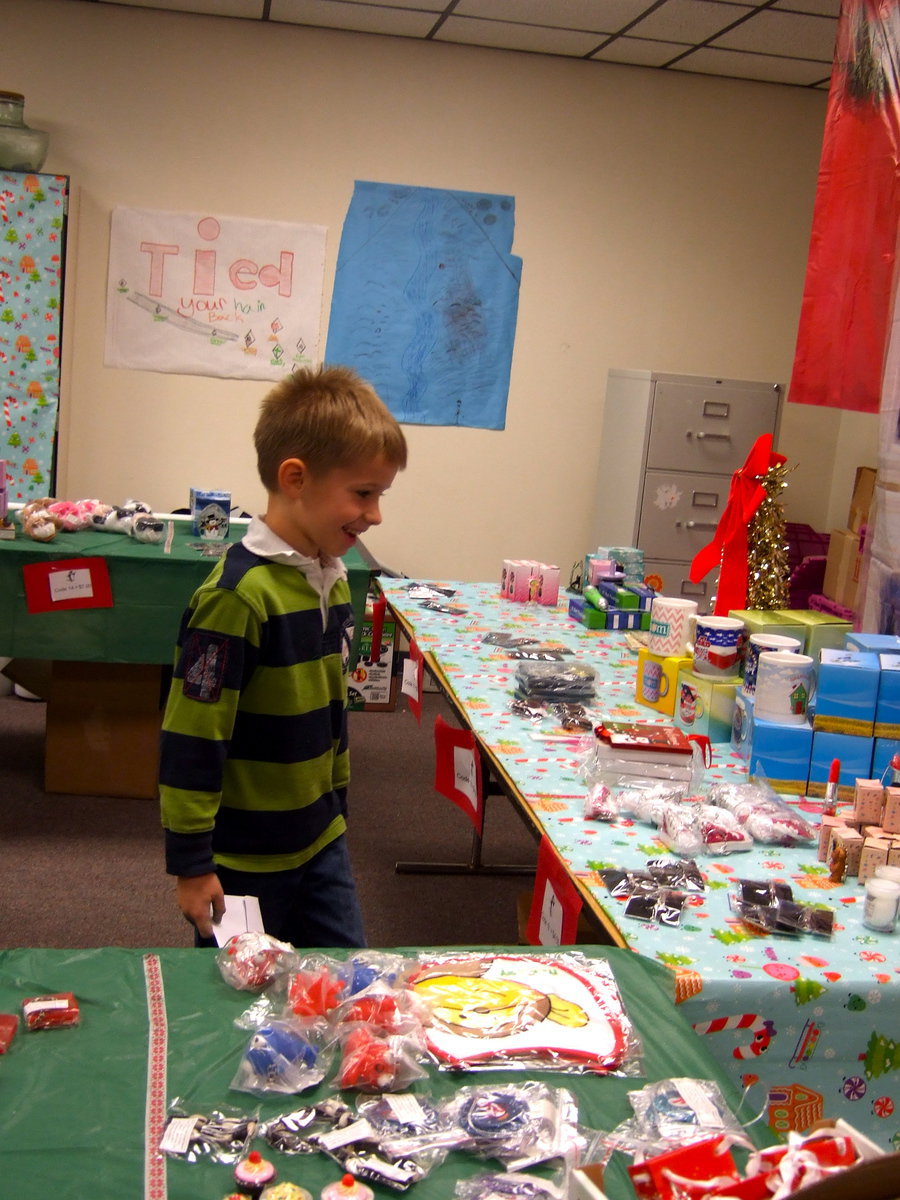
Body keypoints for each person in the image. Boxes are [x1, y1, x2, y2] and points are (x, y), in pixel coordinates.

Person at [159, 364, 407, 947]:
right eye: (363, 493)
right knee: (237, 1004)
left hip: (321, 842)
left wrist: (336, 806)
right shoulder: (237, 599)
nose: (375, 515)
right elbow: (192, 737)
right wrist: (191, 865)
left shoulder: (334, 578)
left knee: (347, 987)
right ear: (295, 478)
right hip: (243, 862)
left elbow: (329, 710)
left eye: (380, 495)